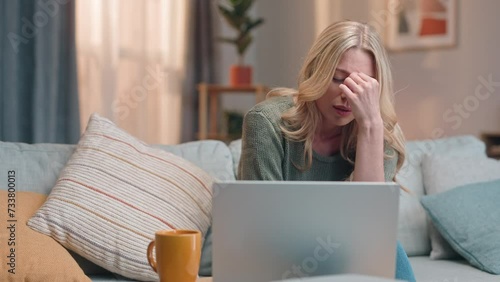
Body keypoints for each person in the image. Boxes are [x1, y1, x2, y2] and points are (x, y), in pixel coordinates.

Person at [238, 20, 416, 281]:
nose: (348, 95)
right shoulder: (266, 123)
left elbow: (370, 228)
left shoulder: (379, 131)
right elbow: (262, 232)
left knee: (388, 245)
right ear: (316, 72)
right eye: (338, 79)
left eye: (362, 85)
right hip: (282, 263)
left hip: (353, 261)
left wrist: (369, 127)